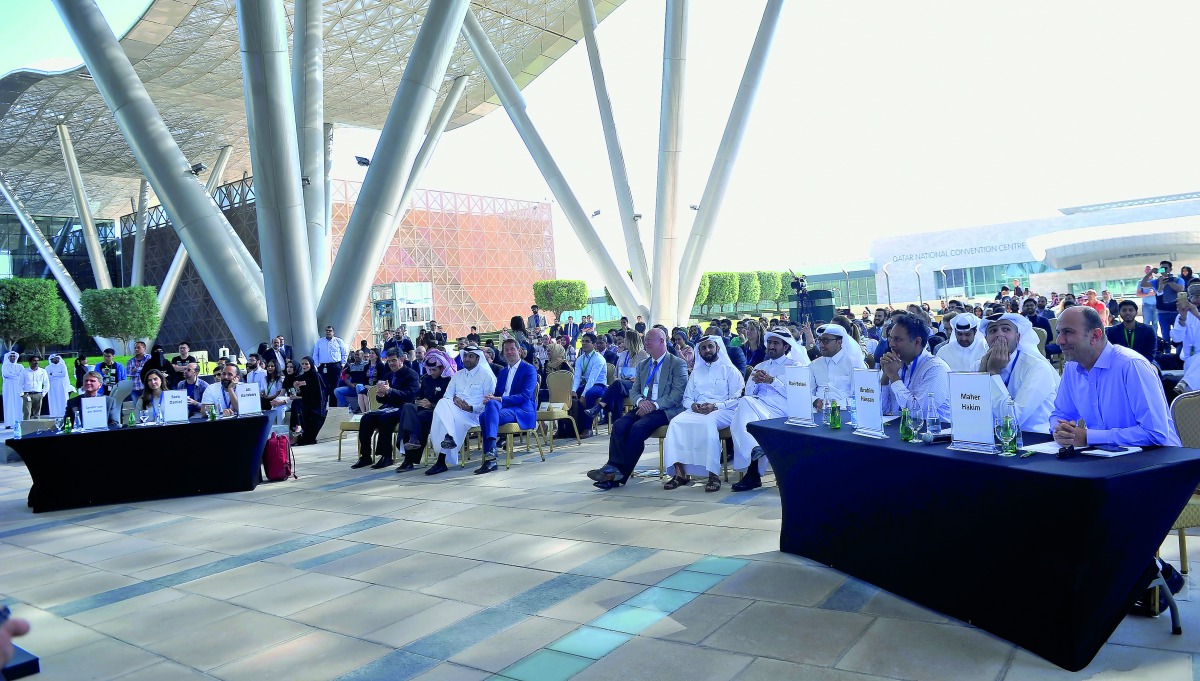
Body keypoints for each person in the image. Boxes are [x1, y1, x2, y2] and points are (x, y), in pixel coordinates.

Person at [1051, 306, 1179, 447]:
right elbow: (1061, 414)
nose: (1059, 340)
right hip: (1105, 460)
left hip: (1159, 462)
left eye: (1068, 332)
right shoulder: (1072, 368)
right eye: (1058, 332)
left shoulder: (1131, 366)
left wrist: (1090, 437)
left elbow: (1155, 434)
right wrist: (1062, 431)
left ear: (1095, 336)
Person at [586, 328, 688, 490]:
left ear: (662, 341)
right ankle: (613, 467)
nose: (645, 343)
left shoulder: (677, 364)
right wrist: (641, 401)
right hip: (643, 406)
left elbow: (677, 395)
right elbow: (634, 390)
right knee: (619, 425)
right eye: (645, 339)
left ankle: (616, 475)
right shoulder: (643, 365)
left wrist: (653, 405)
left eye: (649, 340)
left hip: (665, 410)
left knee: (638, 428)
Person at [727, 328, 810, 492]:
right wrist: (756, 382)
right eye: (769, 342)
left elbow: (798, 395)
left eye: (776, 343)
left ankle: (752, 471)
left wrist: (773, 381)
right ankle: (754, 457)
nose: (771, 346)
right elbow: (749, 393)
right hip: (758, 407)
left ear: (786, 347)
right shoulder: (760, 365)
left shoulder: (795, 366)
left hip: (783, 410)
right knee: (745, 407)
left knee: (744, 413)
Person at [662, 336, 746, 493]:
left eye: (710, 347)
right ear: (699, 351)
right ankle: (680, 474)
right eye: (703, 348)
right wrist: (692, 405)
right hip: (698, 410)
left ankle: (713, 474)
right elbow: (687, 397)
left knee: (707, 423)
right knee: (675, 423)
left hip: (724, 411)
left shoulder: (730, 370)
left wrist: (715, 406)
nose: (707, 350)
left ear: (717, 348)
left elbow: (737, 398)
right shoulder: (696, 372)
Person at [975, 313, 1059, 433]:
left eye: (1006, 329)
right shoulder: (978, 366)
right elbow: (973, 411)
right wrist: (981, 376)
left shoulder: (1036, 367)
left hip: (1036, 441)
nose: (999, 335)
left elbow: (1012, 420)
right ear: (986, 339)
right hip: (993, 439)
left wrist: (992, 373)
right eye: (993, 330)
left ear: (1017, 337)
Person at [425, 347, 496, 475]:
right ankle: (448, 441)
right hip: (455, 410)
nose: (467, 359)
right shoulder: (457, 375)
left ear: (478, 358)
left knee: (444, 418)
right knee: (442, 403)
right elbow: (447, 396)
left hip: (474, 414)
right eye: (465, 356)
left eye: (470, 356)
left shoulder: (487, 376)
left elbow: (488, 402)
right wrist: (455, 399)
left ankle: (441, 461)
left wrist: (470, 408)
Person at [474, 338, 539, 474]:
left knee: (485, 416)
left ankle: (490, 458)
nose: (509, 352)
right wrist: (490, 398)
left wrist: (498, 399)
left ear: (519, 351)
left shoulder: (529, 369)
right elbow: (497, 394)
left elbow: (525, 396)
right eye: (506, 350)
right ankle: (491, 453)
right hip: (504, 409)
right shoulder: (503, 372)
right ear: (503, 353)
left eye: (512, 349)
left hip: (522, 410)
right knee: (486, 410)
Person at [349, 349, 421, 470]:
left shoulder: (411, 374)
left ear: (401, 360)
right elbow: (381, 399)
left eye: (394, 360)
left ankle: (386, 456)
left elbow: (410, 396)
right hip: (388, 407)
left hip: (404, 409)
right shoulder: (388, 375)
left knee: (385, 418)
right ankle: (365, 455)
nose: (391, 363)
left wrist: (390, 391)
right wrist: (381, 395)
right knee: (366, 418)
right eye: (389, 361)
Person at [879, 312, 951, 422]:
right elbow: (884, 410)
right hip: (902, 432)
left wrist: (894, 377)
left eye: (898, 339)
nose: (891, 344)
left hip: (934, 435)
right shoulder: (895, 364)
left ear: (917, 342)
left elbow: (919, 413)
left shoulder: (936, 368)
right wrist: (885, 378)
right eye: (891, 338)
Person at [396, 349, 455, 470]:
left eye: (434, 370)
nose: (431, 372)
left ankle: (409, 458)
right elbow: (419, 394)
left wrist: (431, 404)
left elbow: (449, 401)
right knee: (407, 408)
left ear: (442, 368)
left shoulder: (449, 380)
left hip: (438, 412)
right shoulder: (426, 379)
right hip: (422, 409)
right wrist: (419, 401)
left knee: (414, 420)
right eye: (429, 369)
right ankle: (413, 439)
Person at [810, 323, 867, 410]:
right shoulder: (814, 364)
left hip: (846, 412)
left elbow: (862, 395)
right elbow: (807, 391)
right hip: (818, 412)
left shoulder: (854, 364)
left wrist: (834, 405)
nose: (821, 345)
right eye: (820, 340)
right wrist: (815, 401)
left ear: (839, 342)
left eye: (826, 341)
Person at [568, 333, 608, 438]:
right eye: (583, 341)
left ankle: (588, 428)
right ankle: (568, 428)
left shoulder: (598, 358)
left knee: (589, 394)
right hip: (587, 384)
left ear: (594, 344)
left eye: (587, 341)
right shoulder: (580, 359)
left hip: (600, 386)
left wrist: (583, 395)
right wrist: (573, 390)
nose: (584, 343)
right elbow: (577, 377)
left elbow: (592, 379)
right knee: (569, 394)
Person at [1144, 261, 1186, 348]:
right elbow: (1143, 284)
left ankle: (1178, 352)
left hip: (1176, 311)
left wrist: (1168, 281)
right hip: (1162, 312)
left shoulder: (1178, 280)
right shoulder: (1157, 281)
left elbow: (1180, 289)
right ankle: (1167, 353)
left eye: (1165, 268)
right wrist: (1151, 273)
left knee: (1178, 333)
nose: (1163, 270)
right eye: (1161, 268)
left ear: (1170, 269)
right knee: (1165, 335)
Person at [287, 357, 326, 445]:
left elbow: (319, 395)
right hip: (305, 403)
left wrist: (302, 393)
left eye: (306, 364)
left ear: (311, 364)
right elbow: (300, 393)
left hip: (315, 406)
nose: (304, 366)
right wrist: (296, 387)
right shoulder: (302, 377)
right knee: (296, 404)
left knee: (297, 404)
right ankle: (298, 428)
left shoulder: (316, 376)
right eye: (303, 364)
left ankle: (297, 432)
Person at [1107, 299, 1158, 365]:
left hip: (1145, 362)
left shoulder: (1148, 330)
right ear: (1119, 313)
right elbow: (1111, 353)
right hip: (1121, 364)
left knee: (1155, 369)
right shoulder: (1111, 331)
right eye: (1124, 310)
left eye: (1131, 310)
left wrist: (1138, 364)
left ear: (1136, 313)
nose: (1127, 313)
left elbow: (1151, 353)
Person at [1173, 284, 1200, 393]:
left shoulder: (1195, 313)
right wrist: (1182, 318)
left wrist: (1197, 315)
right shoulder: (1183, 315)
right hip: (1191, 361)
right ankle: (1185, 383)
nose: (1196, 299)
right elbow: (1176, 339)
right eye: (1194, 296)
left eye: (1199, 296)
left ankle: (1184, 382)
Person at [313, 325, 349, 407]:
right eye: (327, 331)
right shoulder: (319, 342)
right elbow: (315, 354)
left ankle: (333, 406)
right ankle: (323, 406)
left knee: (335, 386)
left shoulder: (339, 341)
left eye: (330, 330)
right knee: (323, 386)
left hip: (335, 366)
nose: (328, 332)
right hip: (323, 366)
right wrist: (317, 366)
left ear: (333, 332)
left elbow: (344, 353)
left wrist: (342, 364)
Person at [261, 360, 288, 427]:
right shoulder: (265, 378)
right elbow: (263, 390)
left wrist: (266, 398)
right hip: (266, 399)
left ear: (276, 367)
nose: (269, 368)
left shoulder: (280, 379)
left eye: (272, 366)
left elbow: (278, 394)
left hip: (275, 399)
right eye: (268, 366)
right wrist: (263, 394)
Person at [1136, 266, 1159, 342]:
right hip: (1146, 305)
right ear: (1145, 271)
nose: (1148, 271)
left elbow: (1162, 292)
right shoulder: (1141, 282)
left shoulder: (1157, 280)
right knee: (1146, 322)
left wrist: (1155, 293)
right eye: (1147, 269)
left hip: (1157, 305)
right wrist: (1148, 294)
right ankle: (1146, 339)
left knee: (1155, 323)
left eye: (1150, 269)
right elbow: (1138, 294)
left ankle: (1154, 339)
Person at [20, 355, 47, 419]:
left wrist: (43, 394)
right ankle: (26, 428)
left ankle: (35, 428)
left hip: (38, 394)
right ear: (30, 362)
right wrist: (22, 394)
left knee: (37, 413)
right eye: (34, 361)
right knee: (27, 412)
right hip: (27, 394)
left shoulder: (42, 371)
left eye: (37, 361)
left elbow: (46, 383)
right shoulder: (24, 371)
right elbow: (20, 384)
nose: (36, 362)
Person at [45, 354, 69, 418]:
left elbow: (63, 374)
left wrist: (53, 374)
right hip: (52, 385)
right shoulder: (48, 367)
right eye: (53, 359)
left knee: (62, 398)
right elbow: (47, 376)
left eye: (56, 358)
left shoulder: (62, 366)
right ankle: (54, 414)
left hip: (61, 385)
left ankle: (63, 413)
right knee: (53, 399)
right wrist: (58, 375)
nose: (55, 360)